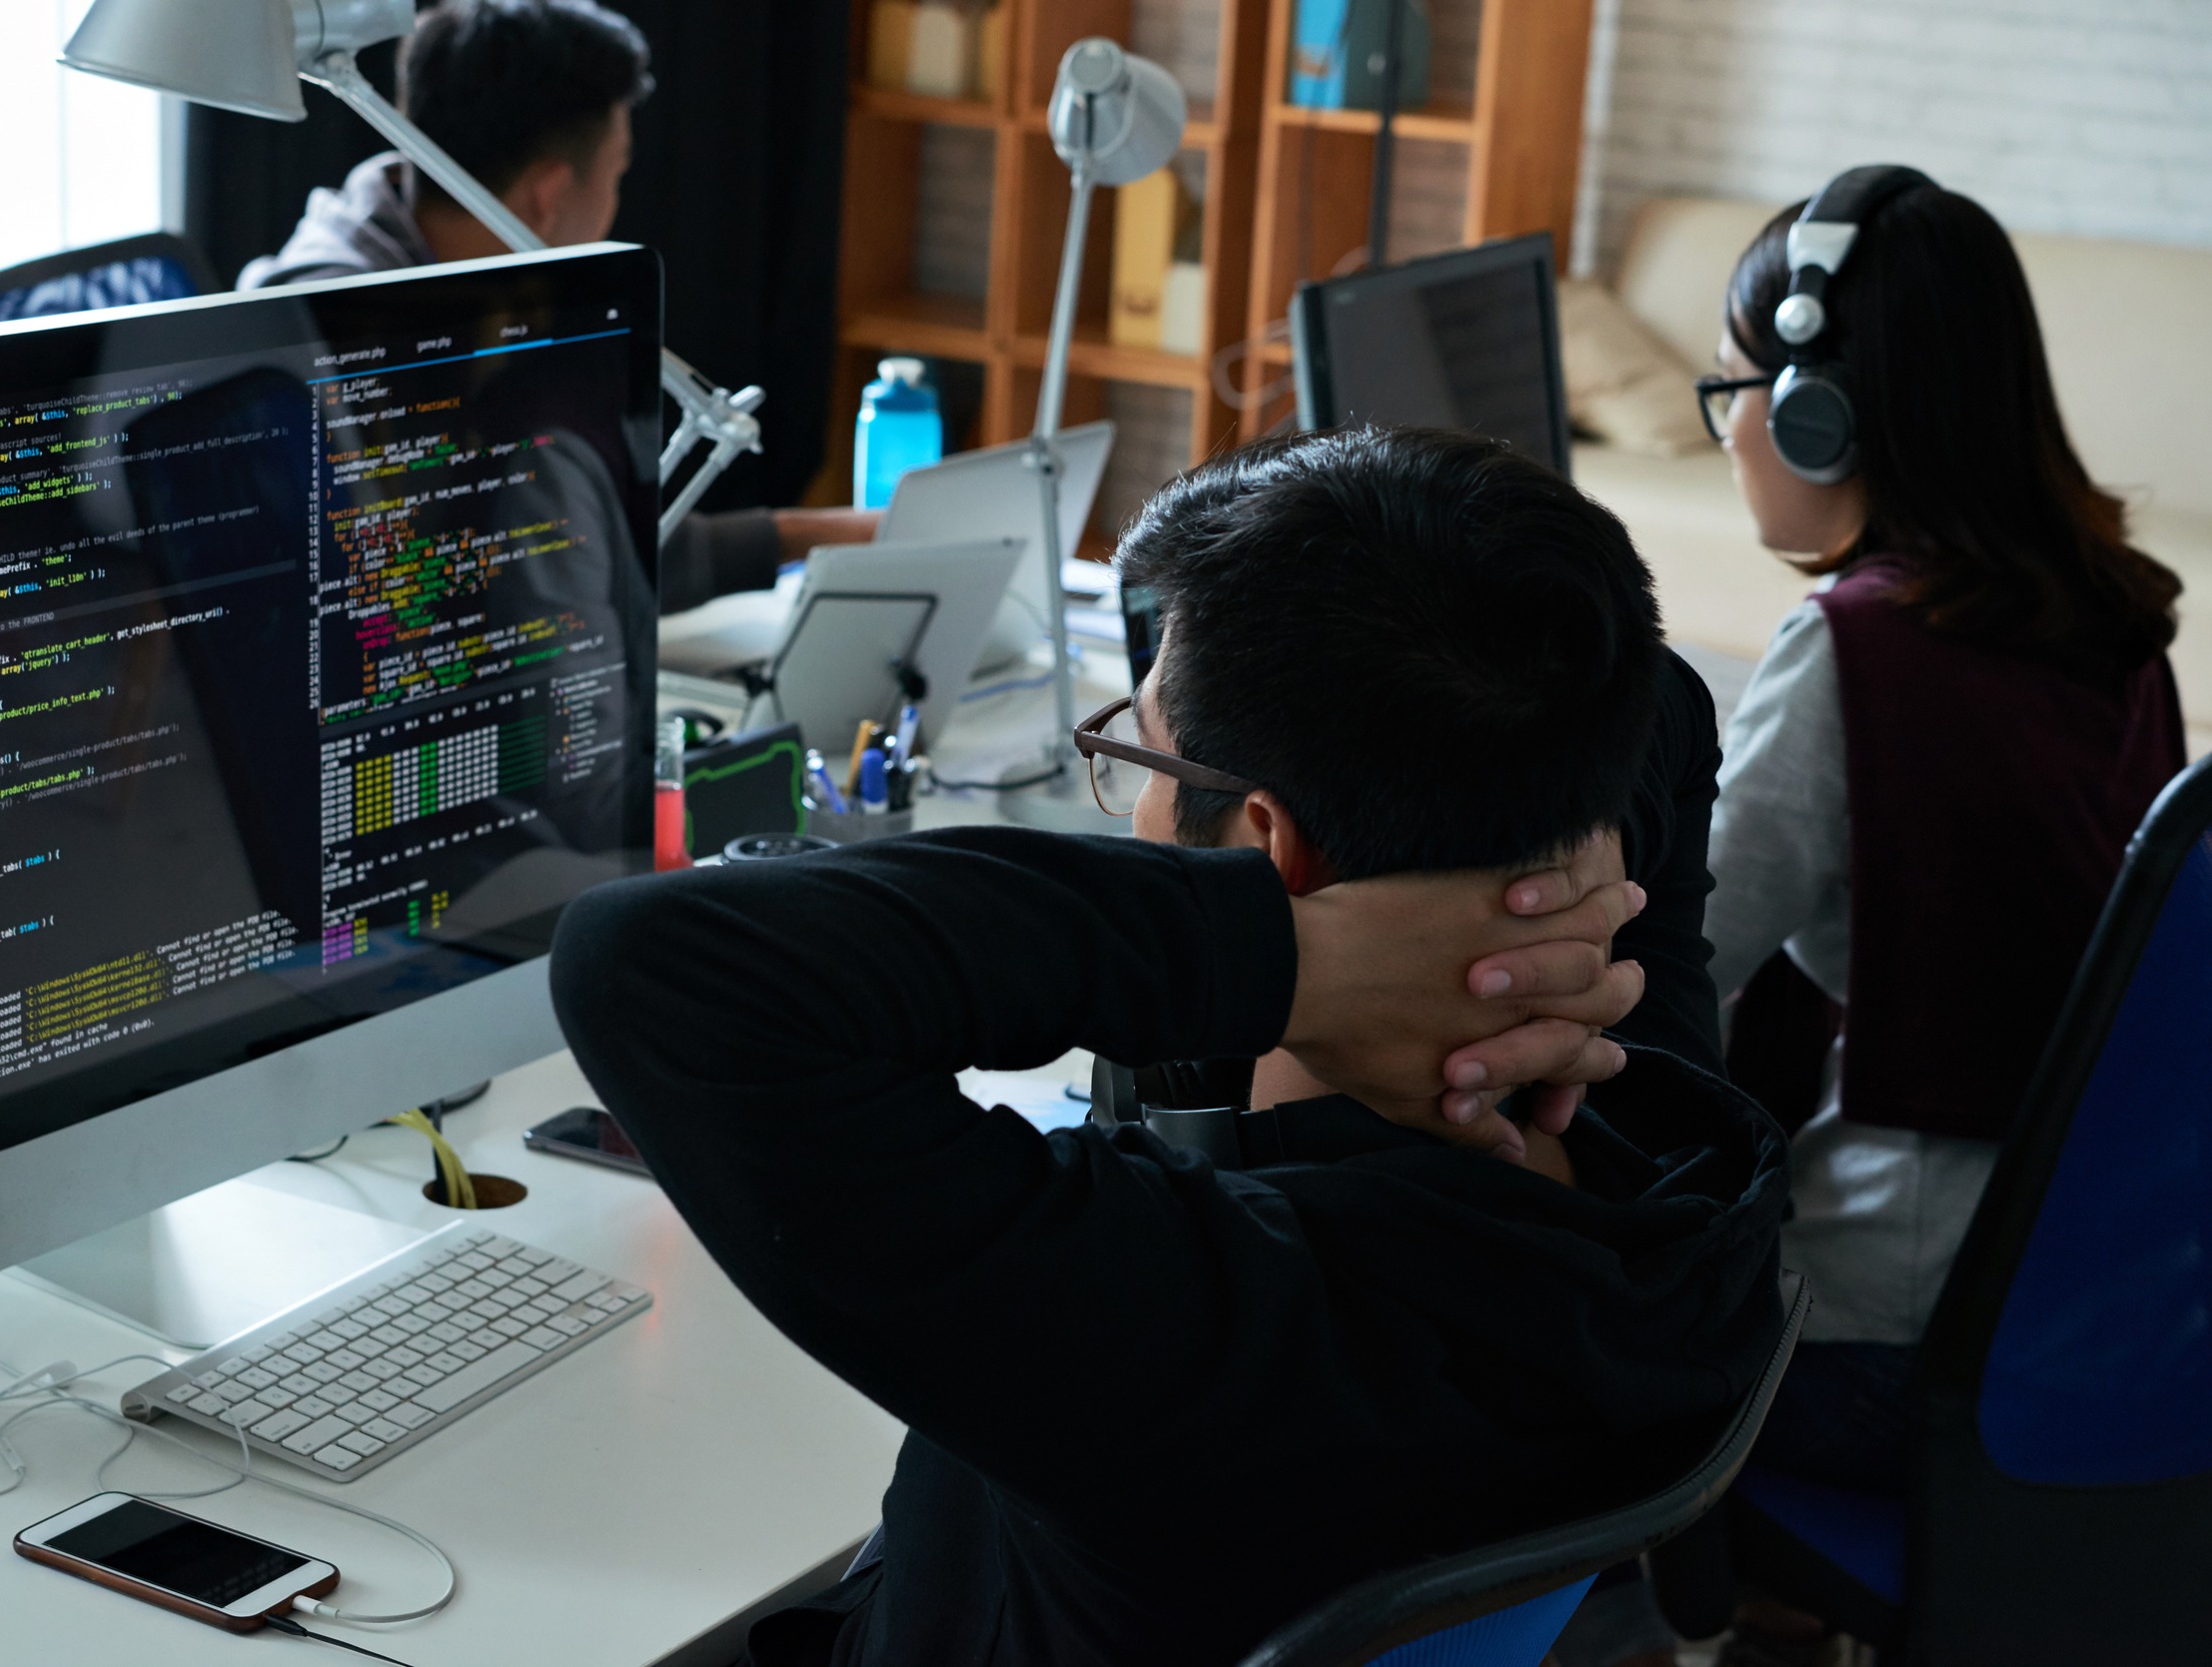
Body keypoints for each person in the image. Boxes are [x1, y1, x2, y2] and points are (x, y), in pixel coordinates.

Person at [550, 426, 1790, 1667]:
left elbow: (648, 964)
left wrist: (1293, 959)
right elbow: (1668, 709)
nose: (1131, 806)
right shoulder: (1675, 1161)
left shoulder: (1185, 1318)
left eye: (1138, 751)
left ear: (1261, 845)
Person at [1694, 170, 2184, 1657]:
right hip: (2104, 1331)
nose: (1727, 428)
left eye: (1732, 387)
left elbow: (1666, 963)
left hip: (1894, 1350)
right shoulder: (2119, 624)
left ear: (1816, 414)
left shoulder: (1851, 650)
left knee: (1544, 1331)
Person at [238, 0, 876, 613]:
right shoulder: (359, 341)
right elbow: (537, 557)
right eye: (617, 174)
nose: (614, 204)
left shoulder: (415, 256)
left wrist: (811, 534)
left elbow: (573, 537)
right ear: (549, 194)